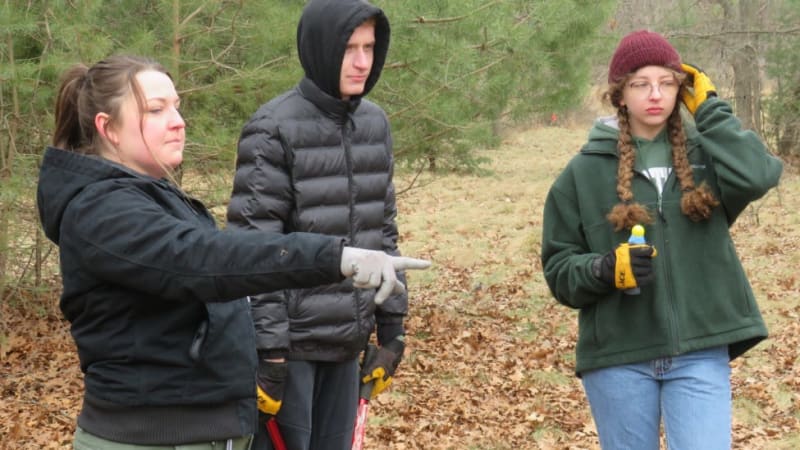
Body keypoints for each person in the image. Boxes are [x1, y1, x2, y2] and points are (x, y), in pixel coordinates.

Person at [37, 54, 429, 450]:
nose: (178, 120)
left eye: (177, 105)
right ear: (109, 129)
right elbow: (202, 259)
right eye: (156, 110)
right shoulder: (99, 210)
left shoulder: (147, 198)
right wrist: (335, 258)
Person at [540, 30, 783, 449]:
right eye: (640, 84)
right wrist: (602, 269)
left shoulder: (709, 155)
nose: (655, 94)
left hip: (700, 350)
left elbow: (759, 174)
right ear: (619, 95)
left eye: (667, 83)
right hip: (618, 357)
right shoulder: (581, 174)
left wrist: (709, 109)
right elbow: (559, 269)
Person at [226, 1, 411, 448]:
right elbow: (254, 247)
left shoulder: (374, 124)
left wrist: (391, 329)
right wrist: (268, 352)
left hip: (347, 347)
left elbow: (382, 230)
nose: (363, 61)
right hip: (292, 354)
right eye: (350, 47)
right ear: (321, 48)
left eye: (369, 47)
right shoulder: (272, 128)